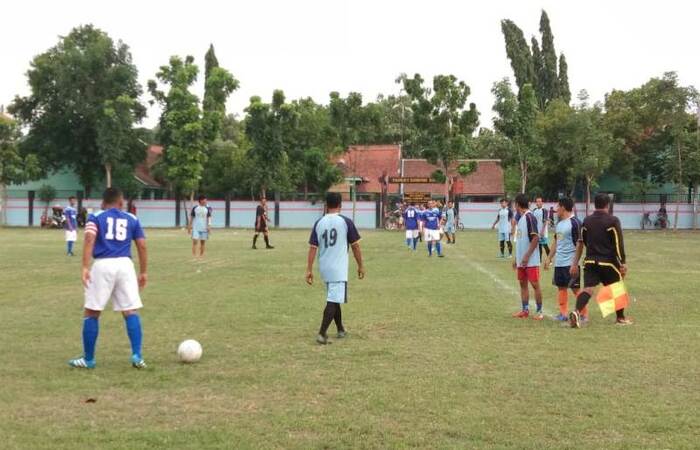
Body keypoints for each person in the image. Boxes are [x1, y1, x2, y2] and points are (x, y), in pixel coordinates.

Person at [69, 187, 148, 369]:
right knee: (130, 311)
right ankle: (137, 355)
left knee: (92, 312)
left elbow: (89, 239)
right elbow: (142, 246)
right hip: (125, 266)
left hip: (103, 264)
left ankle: (88, 359)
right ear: (121, 203)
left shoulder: (96, 217)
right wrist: (143, 272)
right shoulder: (132, 218)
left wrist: (84, 266)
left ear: (103, 203)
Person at [306, 192, 365, 345]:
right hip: (338, 268)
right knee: (333, 299)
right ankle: (321, 333)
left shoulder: (319, 222)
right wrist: (360, 265)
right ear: (340, 204)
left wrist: (309, 269)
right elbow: (355, 246)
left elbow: (313, 247)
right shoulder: (345, 222)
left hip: (324, 267)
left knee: (335, 297)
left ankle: (340, 329)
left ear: (326, 204)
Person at [569, 193, 632, 328]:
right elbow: (618, 243)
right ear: (607, 205)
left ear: (594, 204)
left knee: (588, 289)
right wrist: (623, 262)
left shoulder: (586, 221)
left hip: (590, 261)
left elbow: (583, 241)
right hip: (608, 262)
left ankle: (576, 312)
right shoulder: (613, 221)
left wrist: (577, 262)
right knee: (617, 288)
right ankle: (620, 318)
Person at [544, 197, 588, 321]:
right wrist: (549, 258)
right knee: (561, 287)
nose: (556, 209)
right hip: (559, 263)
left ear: (563, 207)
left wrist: (575, 263)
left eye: (558, 207)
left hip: (571, 263)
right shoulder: (559, 224)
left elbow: (580, 244)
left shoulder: (575, 223)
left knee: (575, 289)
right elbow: (556, 241)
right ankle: (563, 314)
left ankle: (584, 314)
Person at [512, 194, 543, 320]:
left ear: (517, 205)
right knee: (522, 284)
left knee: (535, 285)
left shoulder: (530, 217)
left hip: (531, 261)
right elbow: (521, 241)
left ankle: (539, 311)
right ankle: (525, 310)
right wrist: (517, 258)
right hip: (521, 261)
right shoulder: (521, 219)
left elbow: (535, 238)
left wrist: (526, 256)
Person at [532, 196, 551, 261]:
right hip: (536, 232)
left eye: (539, 201)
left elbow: (545, 221)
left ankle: (549, 260)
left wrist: (542, 231)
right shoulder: (534, 210)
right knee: (539, 246)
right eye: (537, 201)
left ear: (542, 202)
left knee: (545, 245)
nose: (538, 203)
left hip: (543, 231)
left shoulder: (544, 210)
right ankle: (539, 260)